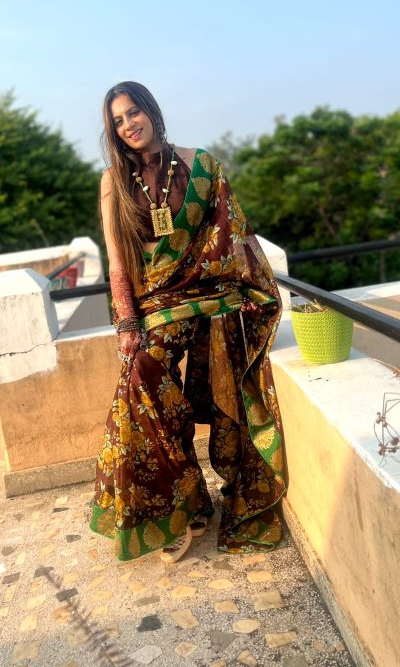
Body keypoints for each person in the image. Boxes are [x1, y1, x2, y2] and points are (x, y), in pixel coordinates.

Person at [90, 81, 286, 563]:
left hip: (212, 297)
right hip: (155, 304)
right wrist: (127, 324)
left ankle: (198, 500)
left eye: (133, 112)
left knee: (210, 384)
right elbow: (117, 261)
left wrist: (242, 290)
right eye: (118, 120)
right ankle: (181, 505)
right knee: (141, 379)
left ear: (151, 111)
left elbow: (233, 235)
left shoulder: (202, 165)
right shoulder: (114, 181)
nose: (128, 124)